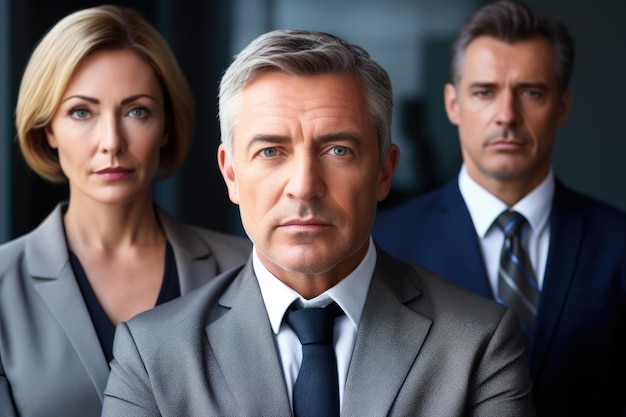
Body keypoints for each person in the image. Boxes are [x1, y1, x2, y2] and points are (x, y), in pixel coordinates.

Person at [102, 29, 535, 416]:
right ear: (231, 174)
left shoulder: (479, 343)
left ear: (384, 171)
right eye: (271, 151)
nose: (304, 187)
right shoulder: (152, 355)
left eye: (338, 150)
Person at [372, 1, 626, 416]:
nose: (507, 116)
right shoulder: (385, 242)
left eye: (531, 92)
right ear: (453, 104)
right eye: (485, 92)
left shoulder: (618, 245)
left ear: (562, 106)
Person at [0, 6, 251, 417]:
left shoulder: (244, 271)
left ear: (166, 124)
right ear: (48, 127)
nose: (111, 142)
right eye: (82, 112)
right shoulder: (2, 287)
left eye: (137, 111)